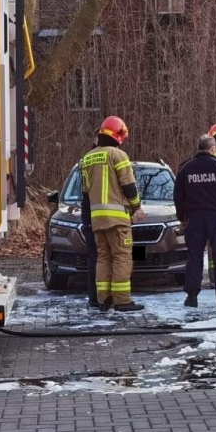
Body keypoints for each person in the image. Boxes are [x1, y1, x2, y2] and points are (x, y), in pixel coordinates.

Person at [80, 115, 142, 312]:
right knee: (122, 257)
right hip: (117, 218)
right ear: (118, 135)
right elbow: (129, 186)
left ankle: (103, 300)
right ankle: (122, 300)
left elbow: (85, 193)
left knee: (103, 258)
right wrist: (137, 207)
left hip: (97, 219)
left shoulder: (87, 158)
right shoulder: (118, 155)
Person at [174, 134, 216, 308]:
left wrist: (182, 218)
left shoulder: (185, 168)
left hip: (194, 220)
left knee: (194, 258)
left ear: (199, 147)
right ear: (212, 148)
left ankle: (191, 297)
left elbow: (178, 197)